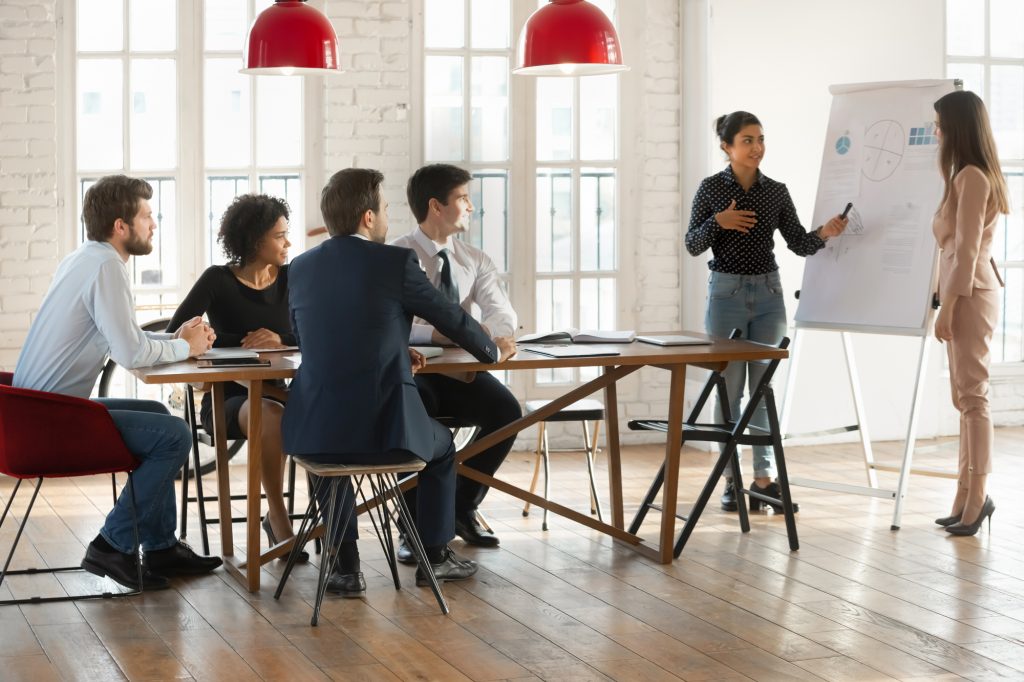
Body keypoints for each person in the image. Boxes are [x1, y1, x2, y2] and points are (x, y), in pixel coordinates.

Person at [282, 168, 515, 597]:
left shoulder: (300, 267)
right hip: (386, 431)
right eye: (385, 209)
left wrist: (390, 346)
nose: (389, 217)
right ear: (368, 218)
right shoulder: (394, 262)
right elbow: (453, 319)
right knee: (442, 445)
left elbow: (309, 336)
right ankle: (435, 556)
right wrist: (493, 352)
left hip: (311, 428)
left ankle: (344, 568)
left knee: (330, 459)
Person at [12, 175, 223, 590]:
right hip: (49, 424)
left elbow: (125, 339)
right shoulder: (107, 266)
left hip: (35, 413)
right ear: (120, 225)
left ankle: (161, 546)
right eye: (147, 215)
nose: (154, 224)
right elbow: (130, 355)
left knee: (160, 416)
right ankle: (113, 543)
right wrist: (187, 349)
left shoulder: (82, 259)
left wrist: (178, 339)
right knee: (174, 435)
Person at [686, 111, 848, 513]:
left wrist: (824, 233)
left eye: (760, 139)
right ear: (727, 147)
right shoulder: (710, 190)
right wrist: (719, 222)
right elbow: (692, 243)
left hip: (770, 295)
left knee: (761, 390)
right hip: (725, 294)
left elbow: (797, 242)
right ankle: (731, 482)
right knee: (729, 392)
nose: (757, 148)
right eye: (747, 141)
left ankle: (763, 480)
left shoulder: (775, 191)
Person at [166, 193, 306, 559]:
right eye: (280, 235)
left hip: (281, 394)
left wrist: (281, 339)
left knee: (291, 409)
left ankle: (335, 533)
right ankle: (279, 520)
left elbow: (318, 331)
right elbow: (174, 332)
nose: (288, 242)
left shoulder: (293, 278)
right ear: (255, 239)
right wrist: (235, 341)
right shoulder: (218, 280)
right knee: (271, 414)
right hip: (226, 400)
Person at [391, 164, 520, 552]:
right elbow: (385, 323)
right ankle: (411, 527)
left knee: (506, 412)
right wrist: (435, 333)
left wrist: (498, 334)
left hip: (462, 373)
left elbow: (501, 309)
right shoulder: (396, 256)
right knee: (417, 424)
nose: (471, 207)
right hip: (416, 371)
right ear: (436, 206)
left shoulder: (473, 258)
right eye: (464, 198)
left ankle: (462, 507)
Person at [931, 90, 1009, 536]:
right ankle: (964, 495)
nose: (936, 130)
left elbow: (966, 251)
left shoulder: (973, 177)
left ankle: (977, 498)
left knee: (973, 399)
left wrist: (949, 306)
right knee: (963, 398)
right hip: (966, 293)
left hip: (971, 295)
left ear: (957, 126)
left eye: (939, 123)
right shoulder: (964, 176)